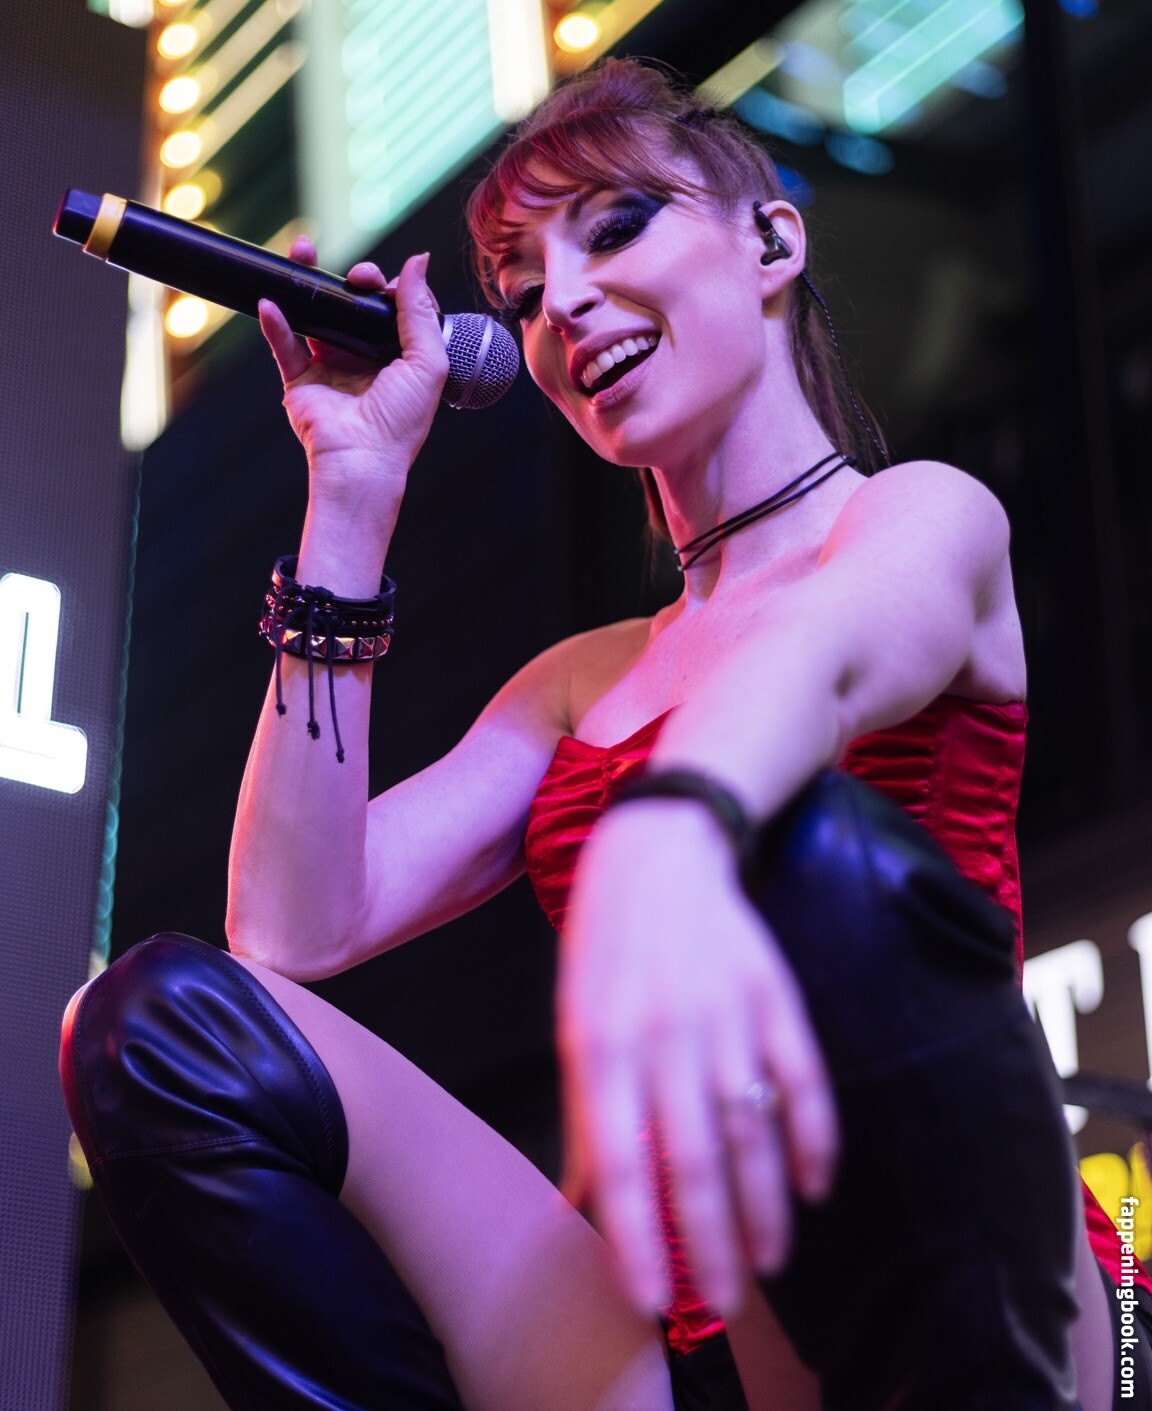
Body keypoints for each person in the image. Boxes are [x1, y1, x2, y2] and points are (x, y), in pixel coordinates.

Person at [60, 58, 1150, 1411]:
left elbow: (815, 666)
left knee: (816, 865)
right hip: (678, 1351)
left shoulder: (920, 520)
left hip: (973, 1308)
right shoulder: (577, 686)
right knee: (160, 1026)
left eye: (616, 227)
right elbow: (290, 929)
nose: (562, 304)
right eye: (523, 294)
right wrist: (352, 491)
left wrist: (678, 828)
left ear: (772, 242)